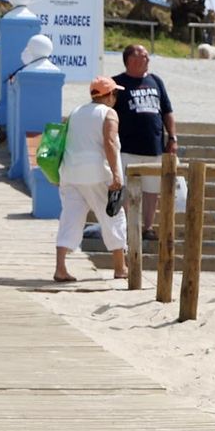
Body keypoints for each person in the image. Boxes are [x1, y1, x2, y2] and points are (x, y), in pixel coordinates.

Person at [54, 77, 128, 283]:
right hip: (97, 174)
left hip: (70, 173)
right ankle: (120, 267)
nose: (115, 98)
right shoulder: (109, 113)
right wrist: (116, 175)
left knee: (70, 218)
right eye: (115, 94)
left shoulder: (75, 112)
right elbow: (110, 142)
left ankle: (60, 268)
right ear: (109, 95)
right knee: (114, 216)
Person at [112, 45, 177, 241]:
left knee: (152, 190)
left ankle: (148, 227)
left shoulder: (156, 81)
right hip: (126, 147)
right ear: (130, 59)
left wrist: (172, 137)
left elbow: (167, 111)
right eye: (143, 55)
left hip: (154, 147)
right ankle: (125, 228)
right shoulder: (117, 83)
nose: (147, 59)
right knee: (124, 189)